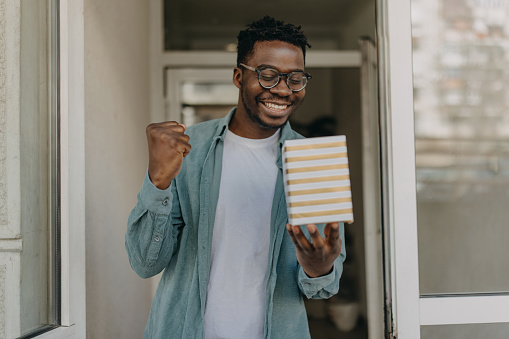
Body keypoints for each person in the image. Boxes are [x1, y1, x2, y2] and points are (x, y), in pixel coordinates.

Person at [125, 16, 346, 339]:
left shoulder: (315, 162)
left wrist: (319, 267)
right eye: (268, 75)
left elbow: (322, 288)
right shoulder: (188, 149)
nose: (283, 90)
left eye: (296, 78)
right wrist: (157, 182)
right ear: (239, 76)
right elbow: (145, 263)